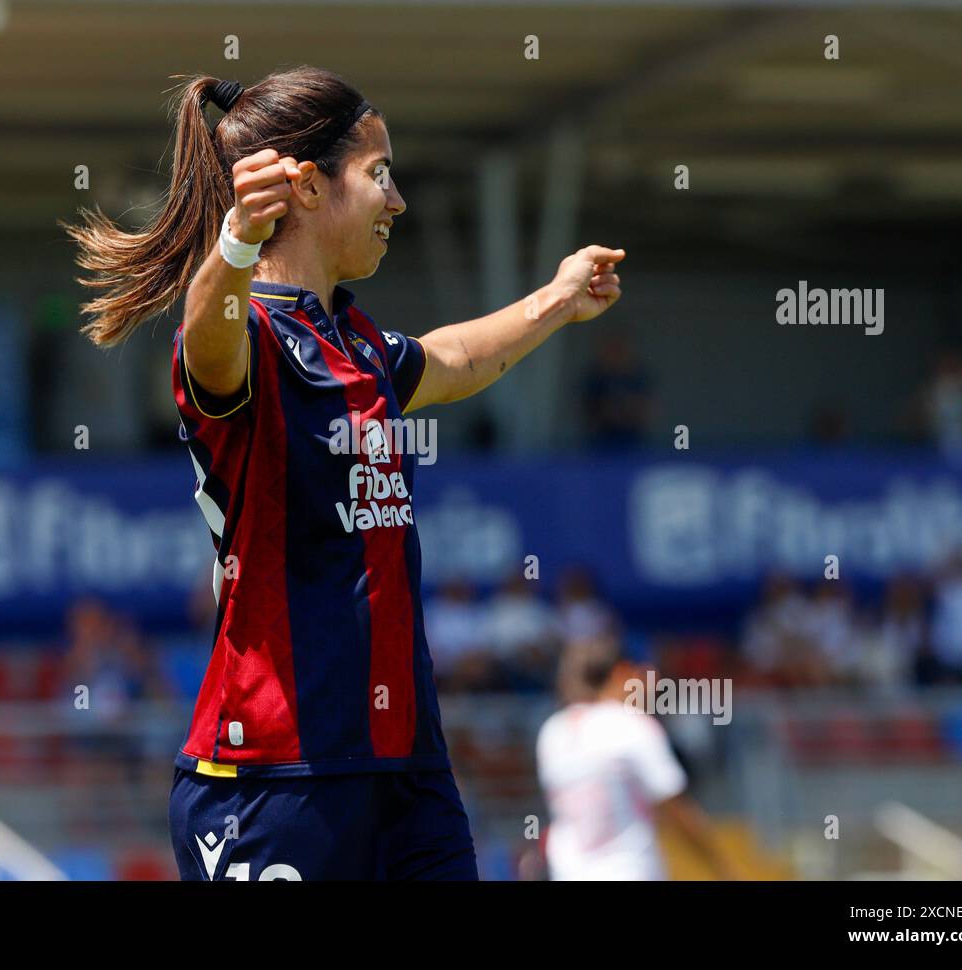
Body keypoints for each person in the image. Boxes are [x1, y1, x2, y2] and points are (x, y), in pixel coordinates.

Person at [66, 66, 626, 881]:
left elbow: (452, 358)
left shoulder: (355, 342)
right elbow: (205, 341)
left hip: (403, 767)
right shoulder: (244, 334)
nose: (397, 202)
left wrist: (557, 300)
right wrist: (234, 247)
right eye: (379, 175)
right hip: (273, 775)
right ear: (305, 185)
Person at [536, 637, 740, 880]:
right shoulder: (630, 725)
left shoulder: (553, 732)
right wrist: (722, 866)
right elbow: (676, 808)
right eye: (640, 672)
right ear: (621, 673)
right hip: (628, 870)